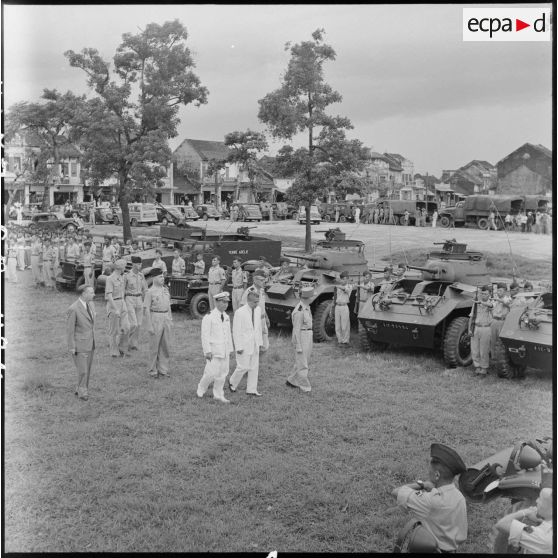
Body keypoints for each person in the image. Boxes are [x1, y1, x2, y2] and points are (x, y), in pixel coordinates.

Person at [391, 443, 467, 553]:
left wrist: (422, 485)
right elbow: (462, 536)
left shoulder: (429, 501)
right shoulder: (459, 496)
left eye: (429, 471)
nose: (428, 473)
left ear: (437, 475)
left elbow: (396, 492)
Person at [197, 291, 234, 403]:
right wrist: (207, 351)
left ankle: (218, 394)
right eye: (223, 302)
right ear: (217, 302)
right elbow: (205, 336)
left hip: (224, 350)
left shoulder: (226, 317)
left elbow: (228, 334)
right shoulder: (209, 317)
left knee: (222, 374)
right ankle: (201, 387)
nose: (225, 305)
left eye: (227, 302)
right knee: (210, 373)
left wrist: (230, 349)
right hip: (214, 350)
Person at [494, 487, 553, 554]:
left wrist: (525, 512)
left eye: (541, 499)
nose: (537, 501)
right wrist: (541, 520)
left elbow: (501, 524)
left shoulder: (542, 538)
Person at [229, 291, 264, 396]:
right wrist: (238, 346)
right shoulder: (240, 312)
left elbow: (258, 328)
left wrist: (260, 342)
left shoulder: (258, 310)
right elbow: (236, 331)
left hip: (254, 343)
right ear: (248, 301)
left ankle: (251, 390)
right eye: (254, 302)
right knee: (243, 366)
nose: (257, 304)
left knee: (254, 367)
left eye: (258, 302)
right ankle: (232, 382)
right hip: (244, 344)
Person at [66, 285, 96, 401]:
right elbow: (69, 330)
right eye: (91, 293)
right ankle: (83, 392)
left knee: (87, 368)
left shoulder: (91, 304)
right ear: (84, 294)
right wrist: (72, 347)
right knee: (83, 369)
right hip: (80, 344)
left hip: (90, 342)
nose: (94, 295)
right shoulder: (73, 309)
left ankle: (80, 388)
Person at [143, 267, 172, 377]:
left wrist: (170, 319)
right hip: (155, 317)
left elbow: (168, 306)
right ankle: (153, 370)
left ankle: (163, 369)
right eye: (160, 277)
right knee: (154, 346)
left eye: (163, 276)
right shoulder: (150, 292)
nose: (162, 278)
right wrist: (149, 325)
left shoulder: (165, 290)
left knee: (165, 346)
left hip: (165, 318)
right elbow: (146, 309)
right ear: (154, 278)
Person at [286, 287, 314, 392]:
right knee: (303, 364)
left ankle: (292, 380)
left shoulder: (306, 307)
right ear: (308, 297)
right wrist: (298, 345)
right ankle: (305, 387)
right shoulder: (300, 310)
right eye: (311, 296)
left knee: (303, 360)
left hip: (307, 335)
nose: (312, 298)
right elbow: (296, 329)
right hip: (302, 336)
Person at [105, 259, 130, 358]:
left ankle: (122, 348)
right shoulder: (110, 278)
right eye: (124, 266)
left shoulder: (122, 277)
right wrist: (116, 309)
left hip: (122, 303)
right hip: (113, 304)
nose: (125, 268)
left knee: (127, 327)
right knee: (114, 330)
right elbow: (109, 296)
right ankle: (114, 352)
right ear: (119, 267)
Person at [241, 269, 270, 351]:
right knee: (255, 344)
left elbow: (262, 306)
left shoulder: (261, 290)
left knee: (264, 344)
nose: (264, 282)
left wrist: (266, 318)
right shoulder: (249, 291)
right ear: (255, 280)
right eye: (261, 280)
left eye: (265, 280)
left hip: (262, 319)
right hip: (253, 320)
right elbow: (242, 307)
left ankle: (260, 361)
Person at [468, 285, 494, 376]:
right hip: (476, 327)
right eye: (482, 293)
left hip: (486, 328)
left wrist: (481, 302)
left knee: (484, 350)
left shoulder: (491, 302)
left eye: (486, 294)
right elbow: (471, 317)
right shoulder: (476, 304)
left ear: (489, 294)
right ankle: (477, 367)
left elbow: (491, 306)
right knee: (475, 349)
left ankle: (484, 368)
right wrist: (469, 329)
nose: (483, 295)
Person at [124, 255, 147, 351]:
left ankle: (134, 344)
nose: (140, 265)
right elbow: (122, 290)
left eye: (140, 264)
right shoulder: (127, 275)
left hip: (139, 300)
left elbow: (145, 289)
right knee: (133, 324)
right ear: (133, 264)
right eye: (138, 264)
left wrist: (146, 302)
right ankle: (123, 341)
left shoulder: (141, 276)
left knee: (139, 324)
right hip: (130, 298)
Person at [490, 283, 512, 361]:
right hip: (494, 321)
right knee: (492, 340)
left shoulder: (508, 298)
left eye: (500, 290)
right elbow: (491, 306)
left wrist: (499, 300)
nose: (498, 292)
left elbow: (508, 304)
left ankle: (502, 359)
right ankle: (493, 357)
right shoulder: (495, 299)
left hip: (503, 322)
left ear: (505, 291)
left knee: (501, 341)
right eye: (497, 290)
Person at [333, 270, 353, 346]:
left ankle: (345, 341)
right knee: (337, 326)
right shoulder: (339, 286)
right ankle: (340, 340)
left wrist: (336, 284)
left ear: (347, 279)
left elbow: (345, 289)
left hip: (344, 306)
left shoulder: (349, 286)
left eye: (345, 279)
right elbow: (335, 296)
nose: (343, 280)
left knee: (345, 325)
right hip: (337, 306)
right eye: (342, 279)